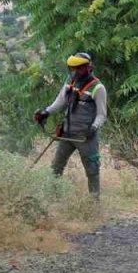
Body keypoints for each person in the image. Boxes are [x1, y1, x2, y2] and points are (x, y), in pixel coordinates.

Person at [34, 52, 107, 199]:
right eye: (73, 68)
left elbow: (102, 114)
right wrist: (45, 112)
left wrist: (93, 128)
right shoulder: (70, 82)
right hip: (67, 133)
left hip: (86, 136)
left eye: (79, 68)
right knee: (56, 167)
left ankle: (94, 203)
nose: (76, 71)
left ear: (89, 67)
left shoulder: (98, 88)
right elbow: (59, 102)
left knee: (92, 170)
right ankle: (54, 199)